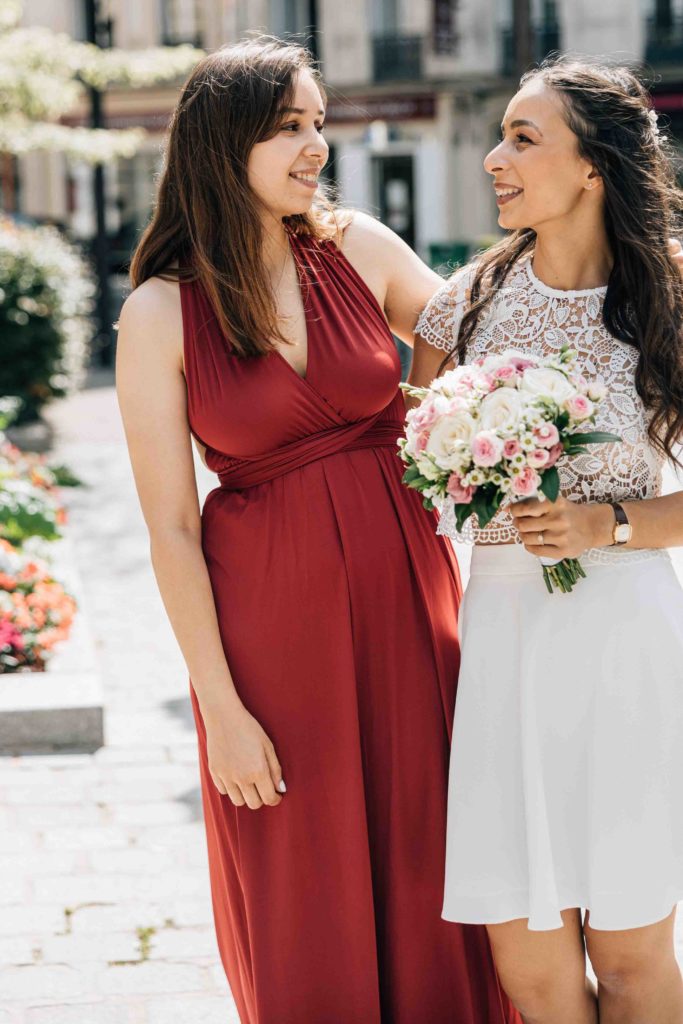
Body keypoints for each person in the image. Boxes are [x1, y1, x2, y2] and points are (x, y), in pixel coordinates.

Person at [116, 38, 521, 1024]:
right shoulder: (159, 314)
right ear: (224, 143)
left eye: (317, 123)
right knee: (303, 879)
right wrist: (220, 711)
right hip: (271, 645)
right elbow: (170, 529)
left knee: (431, 849)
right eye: (289, 126)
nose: (315, 146)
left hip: (408, 608)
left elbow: (493, 357)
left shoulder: (360, 247)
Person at [411, 57, 683, 1024]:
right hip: (501, 641)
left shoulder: (670, 302)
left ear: (593, 169)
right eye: (499, 135)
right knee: (526, 968)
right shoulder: (462, 306)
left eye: (523, 138)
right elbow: (416, 468)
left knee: (633, 954)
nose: (494, 157)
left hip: (623, 643)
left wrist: (603, 523)